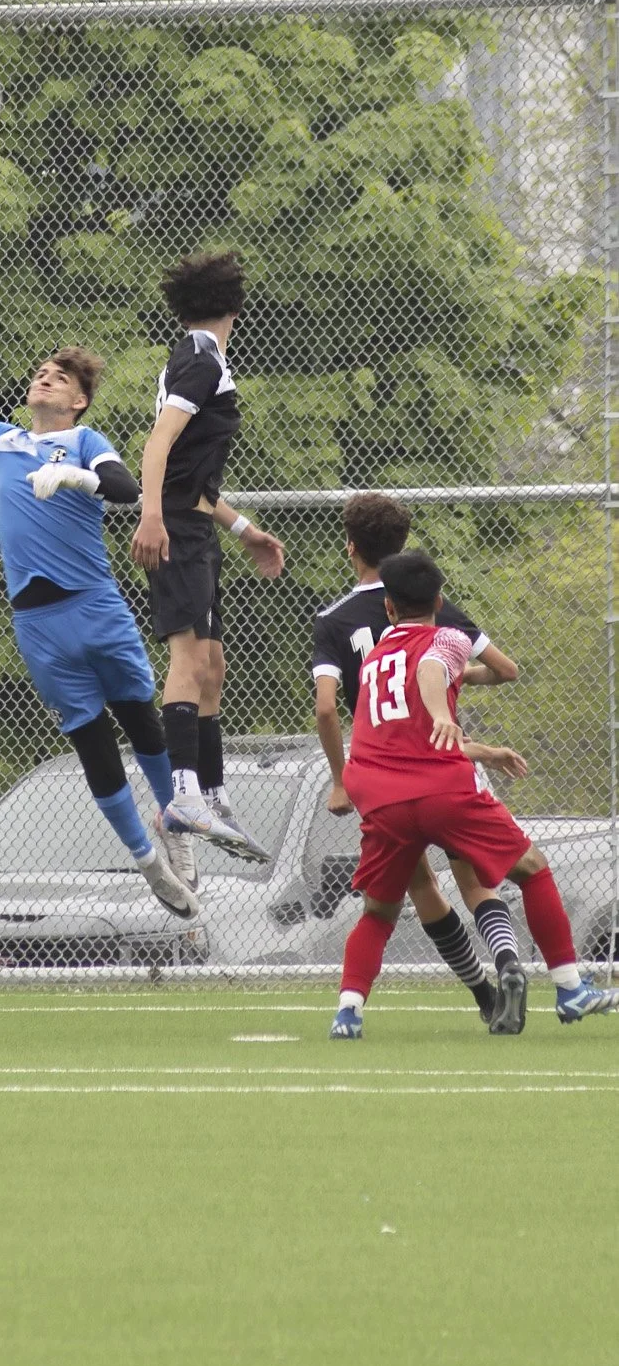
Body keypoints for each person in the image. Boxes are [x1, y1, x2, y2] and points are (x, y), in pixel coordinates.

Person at [0, 306, 197, 919]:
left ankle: (175, 820)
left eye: (59, 378)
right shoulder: (4, 439)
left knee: (139, 720)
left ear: (77, 403)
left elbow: (128, 491)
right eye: (41, 373)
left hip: (95, 606)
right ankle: (147, 861)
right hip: (37, 624)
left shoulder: (84, 442)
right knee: (92, 742)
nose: (45, 379)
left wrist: (76, 477)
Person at [330, 549, 619, 1039]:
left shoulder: (376, 659)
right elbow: (431, 675)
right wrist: (443, 713)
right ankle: (570, 988)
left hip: (379, 796)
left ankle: (347, 1013)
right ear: (440, 600)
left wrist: (479, 748)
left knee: (379, 912)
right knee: (532, 868)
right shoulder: (445, 637)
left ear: (389, 609)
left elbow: (409, 719)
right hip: (441, 790)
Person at [313, 491, 521, 1022]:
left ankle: (483, 994)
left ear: (350, 547)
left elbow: (326, 710)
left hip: (383, 773)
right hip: (447, 758)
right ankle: (507, 962)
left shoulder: (335, 619)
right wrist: (459, 676)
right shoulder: (435, 604)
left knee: (418, 886)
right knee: (475, 879)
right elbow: (505, 668)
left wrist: (341, 780)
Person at [130, 251, 286, 867]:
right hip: (177, 531)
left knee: (214, 664)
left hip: (194, 524)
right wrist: (151, 516)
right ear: (235, 310)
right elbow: (159, 443)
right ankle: (182, 795)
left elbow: (194, 478)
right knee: (190, 659)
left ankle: (212, 795)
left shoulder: (200, 359)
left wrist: (244, 528)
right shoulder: (199, 360)